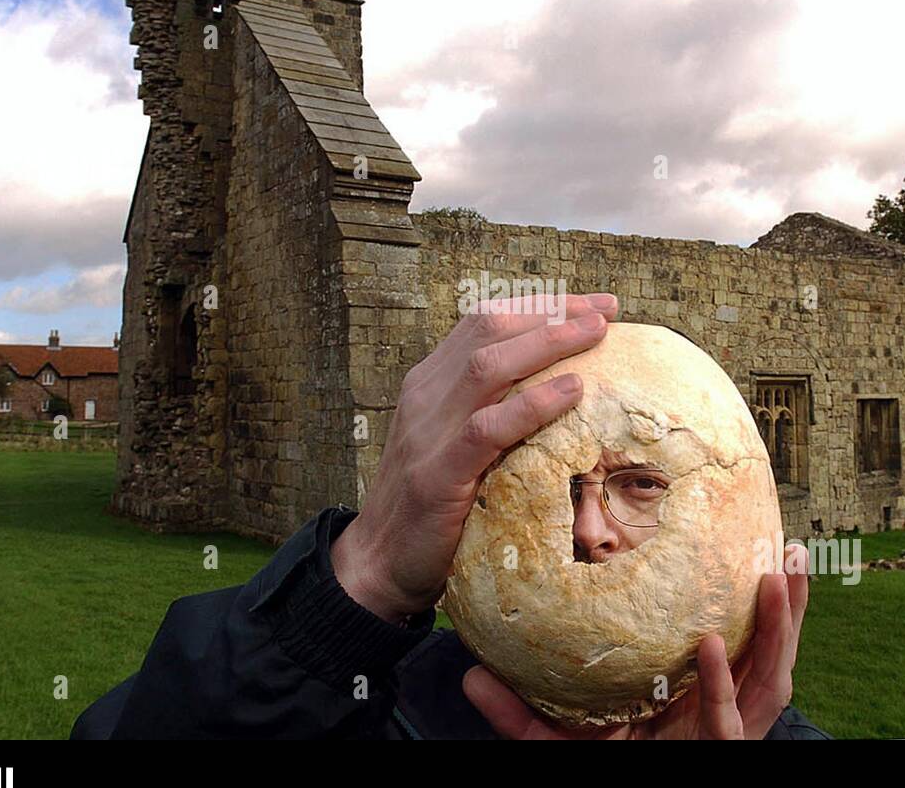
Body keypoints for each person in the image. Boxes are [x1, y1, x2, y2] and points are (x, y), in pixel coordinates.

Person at [72, 293, 829, 740]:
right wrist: (355, 585)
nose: (588, 534)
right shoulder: (388, 711)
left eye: (640, 484)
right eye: (553, 489)